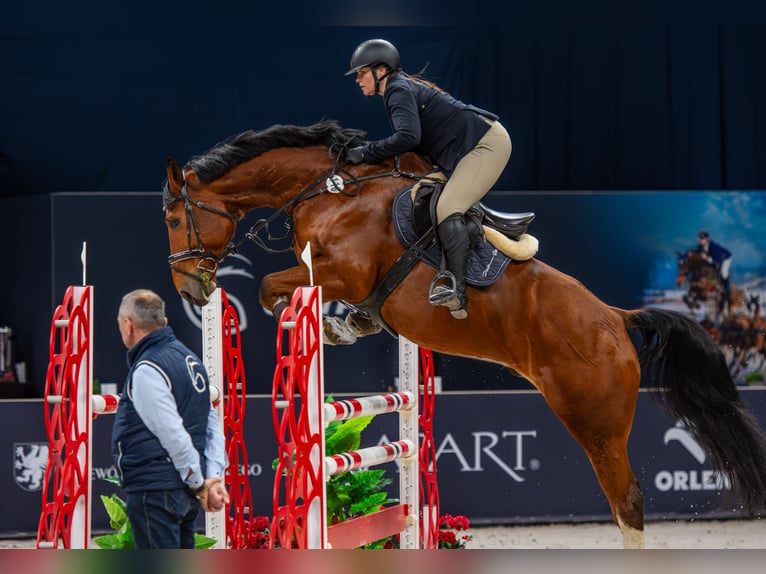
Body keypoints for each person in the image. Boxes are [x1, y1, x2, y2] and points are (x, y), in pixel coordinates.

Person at [343, 38, 512, 319]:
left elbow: (408, 137)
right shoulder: (397, 89)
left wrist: (364, 153)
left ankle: (455, 289)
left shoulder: (396, 89)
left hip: (486, 145)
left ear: (380, 70)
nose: (358, 80)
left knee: (448, 208)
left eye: (361, 73)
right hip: (464, 151)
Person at [111, 289, 229, 549]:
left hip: (156, 490)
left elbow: (173, 434)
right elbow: (211, 426)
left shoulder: (147, 370)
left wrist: (200, 483)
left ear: (128, 325)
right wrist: (212, 478)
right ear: (163, 323)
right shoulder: (191, 360)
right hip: (181, 492)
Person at [695, 230, 733, 299]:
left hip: (725, 258)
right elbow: (697, 254)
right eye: (699, 239)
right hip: (714, 259)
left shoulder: (714, 246)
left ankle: (727, 289)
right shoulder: (700, 246)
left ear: (706, 239)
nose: (700, 241)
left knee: (723, 273)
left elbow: (717, 260)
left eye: (701, 239)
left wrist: (707, 258)